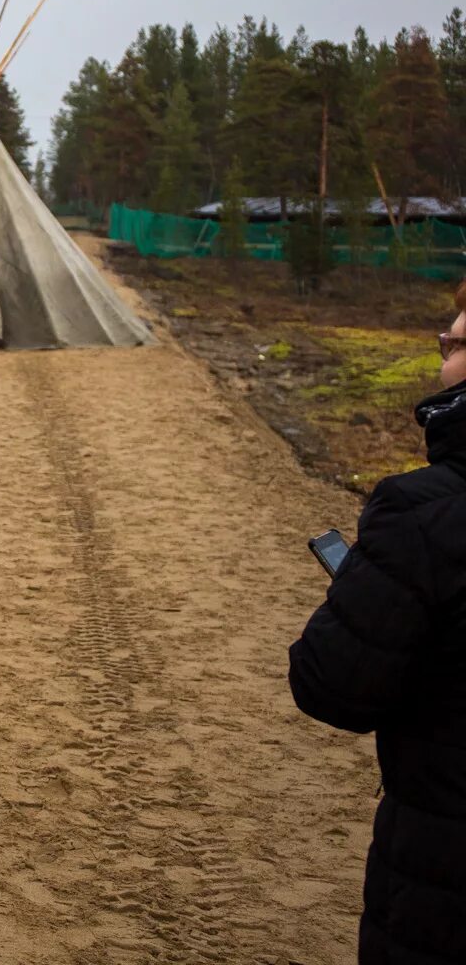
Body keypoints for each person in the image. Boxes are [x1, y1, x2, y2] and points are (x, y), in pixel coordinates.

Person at [288, 277, 466, 964]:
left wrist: (370, 589)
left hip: (442, 871)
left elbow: (330, 684)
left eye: (459, 335)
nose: (445, 342)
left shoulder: (422, 514)